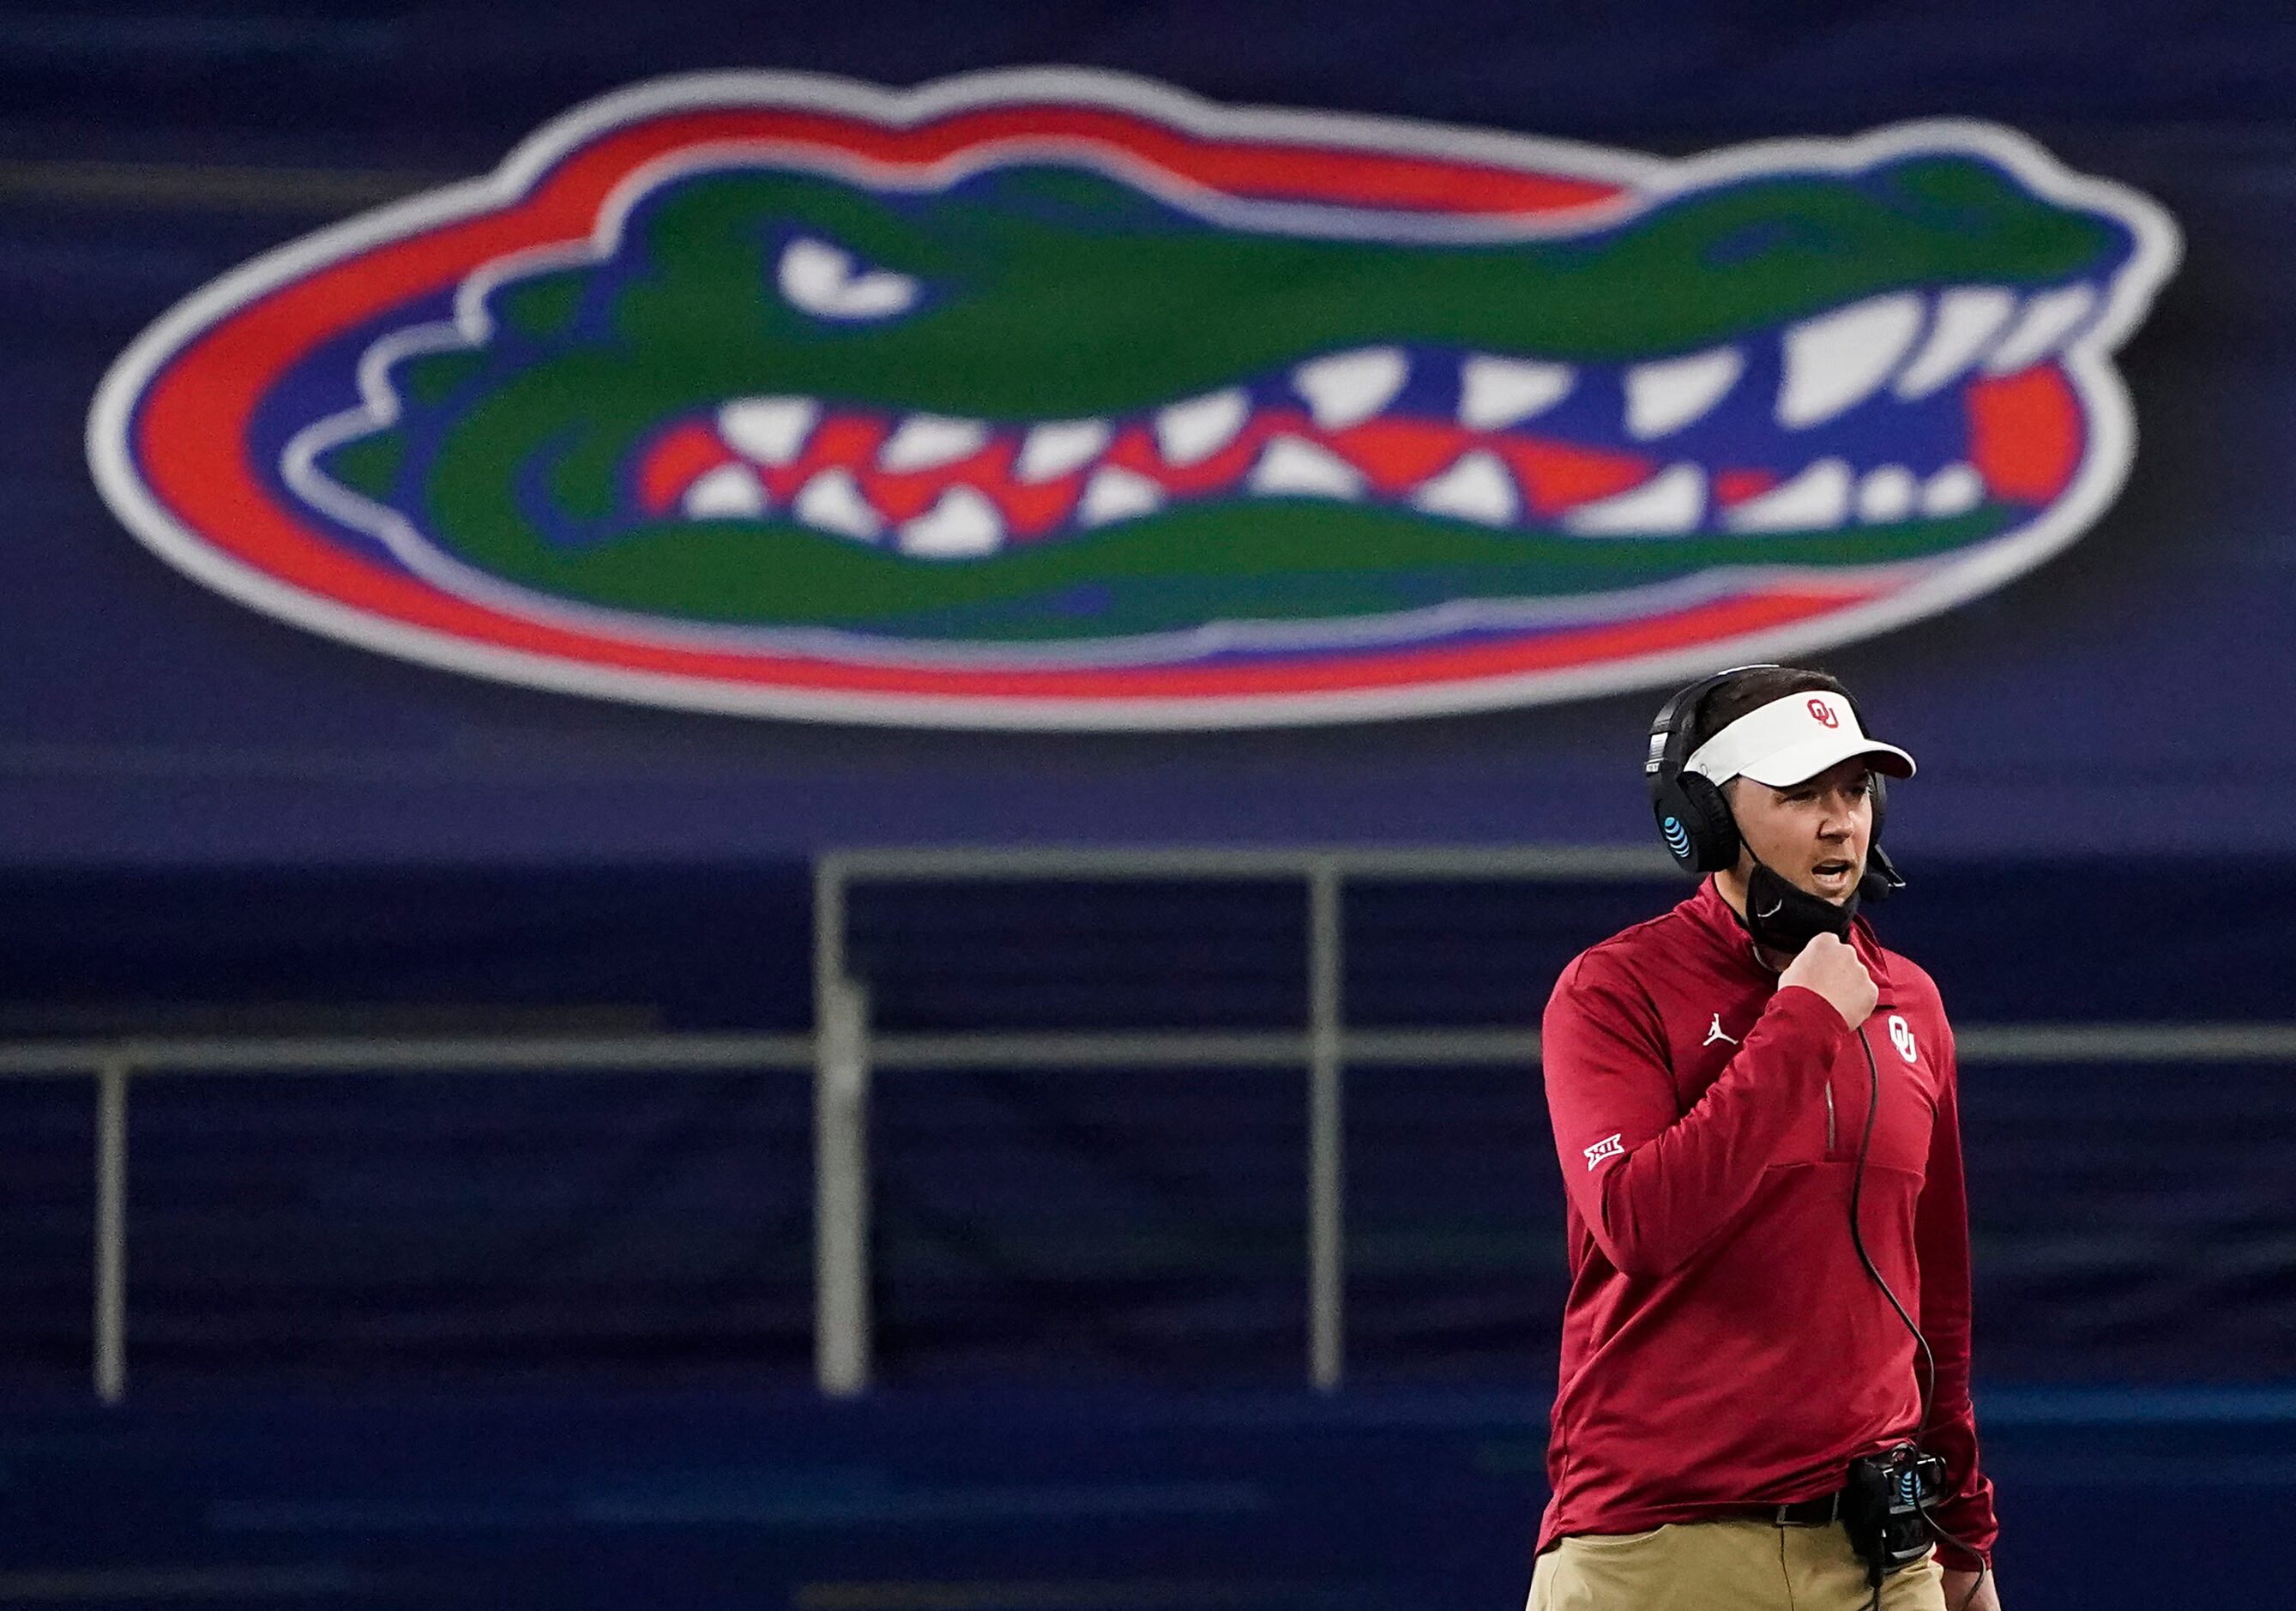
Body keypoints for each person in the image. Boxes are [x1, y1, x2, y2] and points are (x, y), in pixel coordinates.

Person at [1528, 665, 2000, 1611]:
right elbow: (1642, 1224)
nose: (1841, 823)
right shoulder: (1612, 991)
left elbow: (1934, 1296)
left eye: (1854, 790)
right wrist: (1801, 1024)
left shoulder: (1910, 1000)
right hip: (1657, 1549)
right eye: (1800, 794)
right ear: (1702, 820)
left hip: (1880, 1557)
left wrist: (1966, 1536)